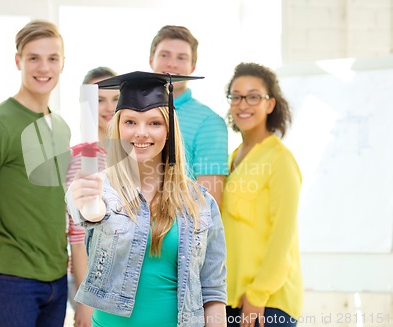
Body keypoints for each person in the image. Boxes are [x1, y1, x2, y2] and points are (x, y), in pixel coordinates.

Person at [67, 71, 227, 327]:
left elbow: (213, 290)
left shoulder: (201, 202)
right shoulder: (99, 188)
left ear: (169, 130)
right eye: (130, 122)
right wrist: (89, 205)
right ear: (117, 127)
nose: (141, 133)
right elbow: (86, 211)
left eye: (154, 123)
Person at [0, 19, 71, 327]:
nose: (43, 67)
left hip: (57, 278)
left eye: (52, 58)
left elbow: (55, 203)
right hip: (11, 279)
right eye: (34, 57)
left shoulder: (60, 126)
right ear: (18, 60)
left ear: (62, 63)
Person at [221, 62, 303, 327]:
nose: (243, 104)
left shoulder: (280, 159)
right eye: (237, 96)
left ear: (270, 104)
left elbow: (283, 235)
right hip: (232, 299)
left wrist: (258, 294)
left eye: (254, 96)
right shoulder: (233, 157)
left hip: (267, 303)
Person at [149, 25, 228, 207]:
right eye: (164, 55)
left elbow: (209, 205)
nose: (172, 64)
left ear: (192, 67)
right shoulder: (133, 114)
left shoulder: (209, 123)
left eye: (181, 57)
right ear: (151, 60)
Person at [67, 66, 118, 327]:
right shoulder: (78, 159)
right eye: (99, 99)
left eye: (115, 99)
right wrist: (84, 303)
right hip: (91, 282)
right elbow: (77, 236)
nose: (108, 107)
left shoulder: (141, 153)